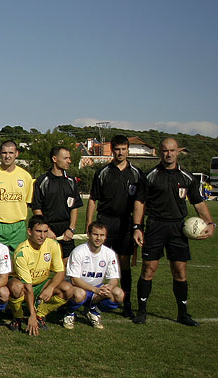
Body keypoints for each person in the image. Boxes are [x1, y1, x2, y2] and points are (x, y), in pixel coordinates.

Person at [132, 137, 215, 326]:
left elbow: (198, 202)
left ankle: (183, 314)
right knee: (148, 269)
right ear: (160, 152)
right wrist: (138, 227)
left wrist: (210, 223)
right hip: (155, 226)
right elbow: (140, 202)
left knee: (179, 271)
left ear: (179, 151)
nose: (168, 154)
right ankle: (142, 312)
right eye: (164, 151)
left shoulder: (187, 177)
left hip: (178, 228)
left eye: (172, 151)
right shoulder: (150, 175)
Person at [85, 135, 142, 317]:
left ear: (128, 149)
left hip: (125, 223)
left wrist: (137, 225)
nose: (120, 152)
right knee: (99, 261)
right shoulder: (103, 172)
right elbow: (93, 199)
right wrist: (89, 223)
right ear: (112, 149)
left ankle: (126, 303)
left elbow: (141, 202)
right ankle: (93, 299)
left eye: (123, 149)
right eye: (117, 149)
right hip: (105, 222)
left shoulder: (136, 174)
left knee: (123, 263)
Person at [7, 215, 74, 336]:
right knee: (15, 287)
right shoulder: (22, 252)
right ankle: (18, 316)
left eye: (45, 232)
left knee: (68, 289)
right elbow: (27, 287)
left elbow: (60, 271)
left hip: (41, 283)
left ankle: (40, 314)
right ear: (29, 231)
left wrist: (51, 288)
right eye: (38, 231)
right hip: (23, 284)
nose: (42, 236)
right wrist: (30, 315)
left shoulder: (52, 244)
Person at [64, 222, 123, 330]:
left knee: (119, 294)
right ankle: (69, 313)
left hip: (96, 288)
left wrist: (108, 287)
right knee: (79, 294)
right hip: (79, 288)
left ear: (105, 237)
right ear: (88, 234)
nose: (98, 238)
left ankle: (94, 312)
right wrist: (95, 290)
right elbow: (74, 280)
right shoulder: (78, 251)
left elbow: (114, 279)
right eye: (95, 234)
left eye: (102, 235)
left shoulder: (109, 253)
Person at [30, 146, 83, 262]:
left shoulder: (71, 181)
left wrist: (71, 229)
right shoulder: (42, 181)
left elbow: (74, 207)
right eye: (65, 158)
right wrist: (46, 229)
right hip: (47, 230)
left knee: (67, 268)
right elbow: (37, 208)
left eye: (69, 158)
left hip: (66, 230)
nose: (69, 161)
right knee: (43, 266)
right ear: (55, 159)